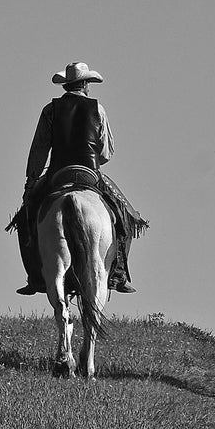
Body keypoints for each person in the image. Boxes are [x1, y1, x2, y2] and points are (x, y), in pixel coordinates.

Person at [12, 61, 145, 295]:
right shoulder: (98, 109)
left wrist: (32, 181)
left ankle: (34, 277)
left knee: (25, 218)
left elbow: (39, 150)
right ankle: (118, 273)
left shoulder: (49, 110)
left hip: (56, 174)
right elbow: (106, 152)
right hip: (90, 174)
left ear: (66, 85)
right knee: (127, 216)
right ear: (85, 84)